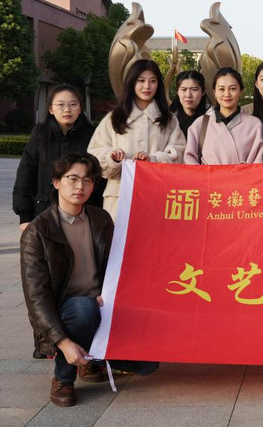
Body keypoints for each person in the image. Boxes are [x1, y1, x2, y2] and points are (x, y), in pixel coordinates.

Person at [20, 152, 158, 407]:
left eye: (87, 180)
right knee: (83, 308)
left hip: (103, 303)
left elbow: (120, 265)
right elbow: (36, 297)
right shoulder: (37, 233)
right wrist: (63, 342)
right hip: (66, 309)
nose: (80, 186)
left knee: (148, 365)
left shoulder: (100, 219)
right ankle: (64, 378)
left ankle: (92, 357)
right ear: (56, 182)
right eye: (72, 179)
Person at [88, 59, 185, 218]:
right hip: (119, 197)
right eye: (141, 80)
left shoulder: (168, 120)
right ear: (132, 82)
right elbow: (94, 152)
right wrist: (112, 157)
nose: (147, 86)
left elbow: (179, 154)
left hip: (157, 196)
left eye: (152, 81)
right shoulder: (114, 118)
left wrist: (153, 159)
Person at [13, 85, 101, 231]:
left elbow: (99, 178)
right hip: (44, 211)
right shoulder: (40, 134)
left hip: (83, 212)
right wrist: (25, 216)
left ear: (80, 108)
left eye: (73, 104)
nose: (67, 110)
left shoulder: (93, 136)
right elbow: (26, 173)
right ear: (51, 109)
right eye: (60, 105)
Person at [185, 67, 263, 165]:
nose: (227, 94)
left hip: (245, 175)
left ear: (241, 91)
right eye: (221, 89)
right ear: (214, 92)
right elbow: (189, 157)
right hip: (207, 175)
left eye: (232, 89)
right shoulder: (200, 123)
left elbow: (258, 161)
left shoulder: (255, 125)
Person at [169, 70, 209, 135]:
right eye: (183, 89)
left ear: (203, 92)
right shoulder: (169, 119)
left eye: (194, 89)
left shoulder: (212, 117)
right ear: (177, 92)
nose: (188, 95)